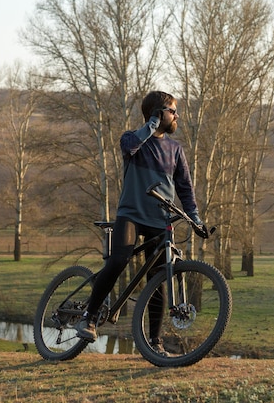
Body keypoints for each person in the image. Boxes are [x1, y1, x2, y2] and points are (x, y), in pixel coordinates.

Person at [75, 90, 208, 355]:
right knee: (118, 259)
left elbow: (185, 188)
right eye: (172, 111)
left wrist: (195, 218)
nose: (177, 115)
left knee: (157, 280)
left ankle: (154, 344)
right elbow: (130, 147)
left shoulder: (175, 149)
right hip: (131, 215)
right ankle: (88, 317)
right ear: (159, 114)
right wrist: (151, 127)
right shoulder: (132, 139)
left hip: (161, 220)